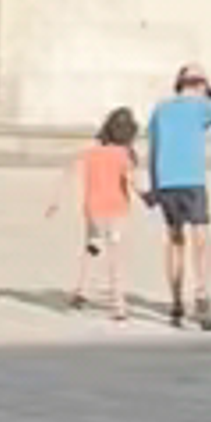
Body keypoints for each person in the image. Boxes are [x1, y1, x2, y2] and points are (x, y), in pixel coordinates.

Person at [146, 64, 211, 328]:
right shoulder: (201, 107)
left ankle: (177, 300)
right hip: (193, 181)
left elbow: (154, 149)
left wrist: (153, 186)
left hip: (167, 182)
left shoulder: (161, 109)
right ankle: (202, 294)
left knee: (175, 240)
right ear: (200, 85)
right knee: (201, 239)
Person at [65, 102, 138, 321]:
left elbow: (70, 169)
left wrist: (55, 201)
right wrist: (150, 197)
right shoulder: (123, 155)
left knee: (92, 247)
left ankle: (80, 289)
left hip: (93, 210)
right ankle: (118, 304)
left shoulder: (92, 153)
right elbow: (133, 182)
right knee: (115, 255)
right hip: (116, 210)